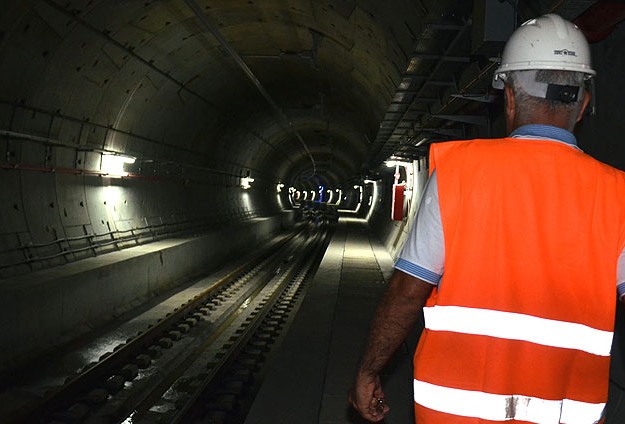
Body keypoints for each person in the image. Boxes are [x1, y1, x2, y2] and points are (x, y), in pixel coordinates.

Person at [349, 14, 625, 424]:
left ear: (510, 98)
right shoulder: (617, 194)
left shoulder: (459, 172)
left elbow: (409, 290)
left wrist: (370, 371)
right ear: (583, 105)